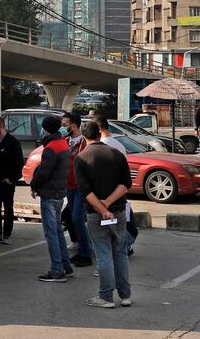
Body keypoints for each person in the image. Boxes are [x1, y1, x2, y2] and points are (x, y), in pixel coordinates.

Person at [75, 122, 133, 308]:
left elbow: (85, 190)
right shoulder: (116, 154)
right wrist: (108, 203)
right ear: (100, 134)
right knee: (120, 253)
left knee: (104, 255)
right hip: (118, 210)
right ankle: (125, 295)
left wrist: (102, 207)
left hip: (96, 213)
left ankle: (106, 297)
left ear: (84, 137)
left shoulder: (81, 157)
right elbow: (126, 183)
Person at [30, 115, 73, 282]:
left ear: (46, 129)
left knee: (51, 234)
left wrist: (34, 185)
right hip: (59, 192)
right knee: (57, 231)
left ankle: (57, 270)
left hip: (49, 193)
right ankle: (65, 265)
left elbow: (44, 172)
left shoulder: (51, 148)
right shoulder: (63, 143)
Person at [94, 114, 133, 255]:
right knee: (119, 229)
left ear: (98, 128)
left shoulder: (101, 146)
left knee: (106, 233)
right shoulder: (119, 144)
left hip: (105, 196)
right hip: (120, 194)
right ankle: (125, 247)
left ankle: (108, 263)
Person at [0, 116, 23, 245]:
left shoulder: (13, 142)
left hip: (6, 181)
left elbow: (18, 163)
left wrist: (12, 178)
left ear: (1, 126)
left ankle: (7, 234)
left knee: (8, 207)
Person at [62, 112, 92, 267]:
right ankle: (82, 248)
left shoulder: (85, 142)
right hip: (69, 185)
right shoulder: (64, 140)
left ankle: (86, 252)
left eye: (65, 124)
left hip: (81, 186)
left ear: (73, 125)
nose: (63, 127)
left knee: (77, 218)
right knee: (73, 218)